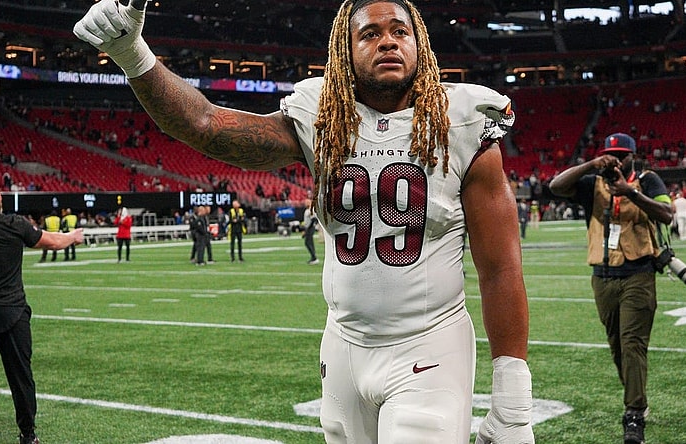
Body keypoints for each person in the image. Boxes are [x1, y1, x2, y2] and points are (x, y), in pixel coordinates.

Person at [74, 1, 534, 443]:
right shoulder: (323, 118)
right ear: (344, 51)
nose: (388, 42)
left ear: (420, 44)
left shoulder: (463, 122)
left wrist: (512, 396)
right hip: (343, 345)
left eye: (400, 31)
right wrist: (135, 56)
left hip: (430, 344)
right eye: (370, 34)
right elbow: (204, 123)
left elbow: (500, 268)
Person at [549, 133, 673, 444]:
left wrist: (630, 192)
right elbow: (555, 186)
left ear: (633, 156)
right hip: (603, 276)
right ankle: (637, 395)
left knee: (632, 344)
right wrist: (590, 164)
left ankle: (633, 415)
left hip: (639, 274)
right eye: (610, 154)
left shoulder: (648, 179)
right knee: (617, 345)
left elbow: (667, 214)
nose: (616, 160)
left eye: (621, 154)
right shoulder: (593, 184)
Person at [0, 173, 84, 444]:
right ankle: (28, 434)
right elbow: (52, 242)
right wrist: (73, 237)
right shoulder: (11, 224)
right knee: (21, 379)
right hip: (11, 314)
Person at [302, 198, 319, 264]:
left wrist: (308, 228)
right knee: (309, 242)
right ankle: (313, 257)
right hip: (309, 228)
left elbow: (314, 219)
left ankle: (314, 257)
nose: (305, 203)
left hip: (309, 228)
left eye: (307, 202)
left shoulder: (309, 210)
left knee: (308, 243)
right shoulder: (309, 210)